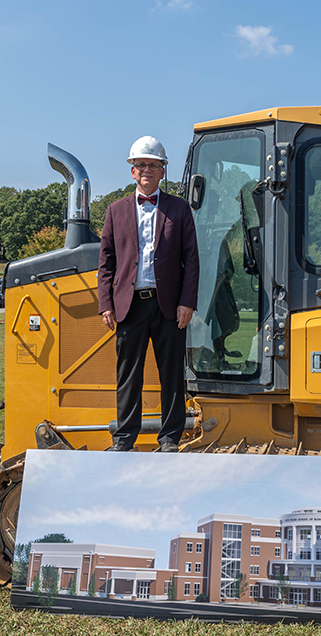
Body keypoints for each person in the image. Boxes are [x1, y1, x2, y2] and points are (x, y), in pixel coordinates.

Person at [98, 136, 200, 452]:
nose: (146, 170)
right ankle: (124, 439)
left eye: (153, 165)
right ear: (132, 171)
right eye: (140, 165)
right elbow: (106, 261)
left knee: (171, 376)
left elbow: (192, 258)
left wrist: (187, 302)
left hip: (169, 306)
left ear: (162, 171)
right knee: (129, 377)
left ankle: (170, 437)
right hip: (128, 306)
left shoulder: (180, 209)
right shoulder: (115, 211)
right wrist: (105, 303)